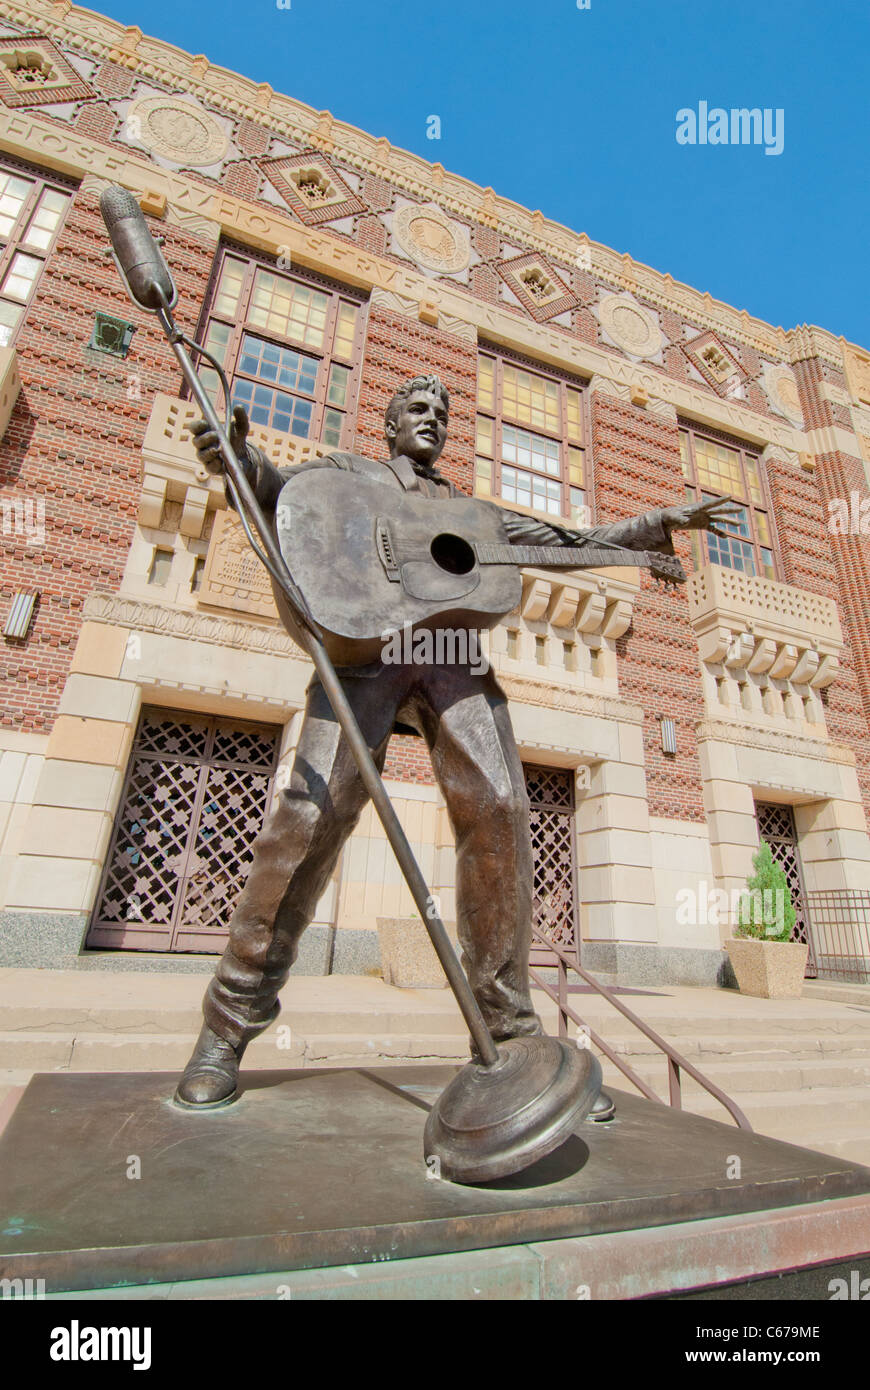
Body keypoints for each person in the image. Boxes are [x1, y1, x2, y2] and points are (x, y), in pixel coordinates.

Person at [175, 374, 738, 1106]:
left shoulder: (469, 511)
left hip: (452, 663)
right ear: (387, 424)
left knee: (500, 808)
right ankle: (226, 1029)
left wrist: (649, 529)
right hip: (363, 654)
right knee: (309, 819)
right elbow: (286, 495)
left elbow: (567, 541)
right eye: (417, 408)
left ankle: (510, 1040)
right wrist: (241, 463)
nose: (433, 419)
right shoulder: (350, 474)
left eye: (443, 411)